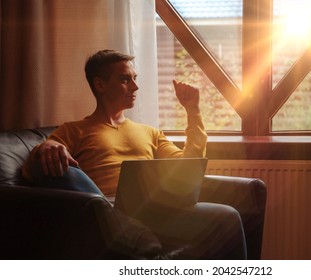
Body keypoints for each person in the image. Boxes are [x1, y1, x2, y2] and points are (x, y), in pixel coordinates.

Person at [22, 49, 246, 259]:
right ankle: (124, 227)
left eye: (134, 78)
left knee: (227, 216)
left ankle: (134, 234)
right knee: (55, 165)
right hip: (104, 212)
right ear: (100, 85)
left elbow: (188, 165)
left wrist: (193, 112)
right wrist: (46, 146)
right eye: (125, 80)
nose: (135, 87)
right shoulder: (74, 130)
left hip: (153, 211)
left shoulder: (150, 132)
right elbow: (33, 170)